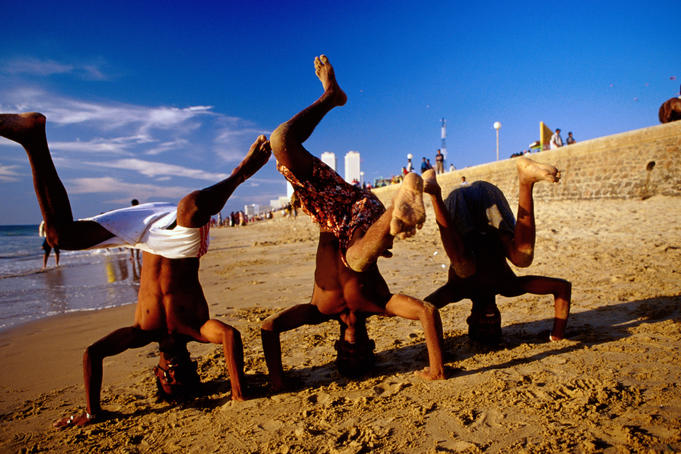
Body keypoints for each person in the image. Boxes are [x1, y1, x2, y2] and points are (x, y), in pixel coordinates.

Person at [0, 112, 272, 427]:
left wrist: (93, 412)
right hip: (180, 240)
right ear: (194, 371)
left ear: (157, 372)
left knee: (60, 236)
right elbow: (229, 335)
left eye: (167, 378)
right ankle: (241, 173)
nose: (172, 371)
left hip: (141, 235)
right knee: (192, 205)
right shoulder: (197, 329)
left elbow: (93, 353)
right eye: (179, 377)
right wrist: (238, 394)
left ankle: (33, 137)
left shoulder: (141, 332)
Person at [261, 55, 445, 390]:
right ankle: (397, 207)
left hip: (329, 213)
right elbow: (427, 312)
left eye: (346, 352)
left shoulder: (318, 310)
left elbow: (269, 327)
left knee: (280, 142)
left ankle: (331, 96)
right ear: (371, 346)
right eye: (360, 352)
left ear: (337, 346)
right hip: (365, 214)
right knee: (358, 258)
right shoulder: (380, 304)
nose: (353, 346)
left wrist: (276, 381)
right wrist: (437, 369)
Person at [421, 157, 571, 345]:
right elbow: (562, 287)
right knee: (522, 258)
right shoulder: (508, 286)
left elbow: (425, 308)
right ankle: (526, 180)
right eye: (495, 326)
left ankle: (435, 193)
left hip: (459, 204)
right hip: (489, 195)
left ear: (471, 319)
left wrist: (438, 351)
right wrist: (557, 334)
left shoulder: (458, 290)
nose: (490, 322)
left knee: (464, 268)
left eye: (483, 326)